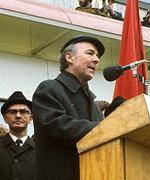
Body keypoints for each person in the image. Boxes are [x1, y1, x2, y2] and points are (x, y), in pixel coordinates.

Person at [32, 35, 105, 180]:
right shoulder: (49, 88)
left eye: (97, 56)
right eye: (90, 53)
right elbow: (58, 126)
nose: (97, 59)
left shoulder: (94, 105)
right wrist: (106, 128)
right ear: (69, 58)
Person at [0, 91, 35, 180]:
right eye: (12, 112)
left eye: (23, 111)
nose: (18, 115)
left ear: (30, 118)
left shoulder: (41, 151)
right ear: (5, 118)